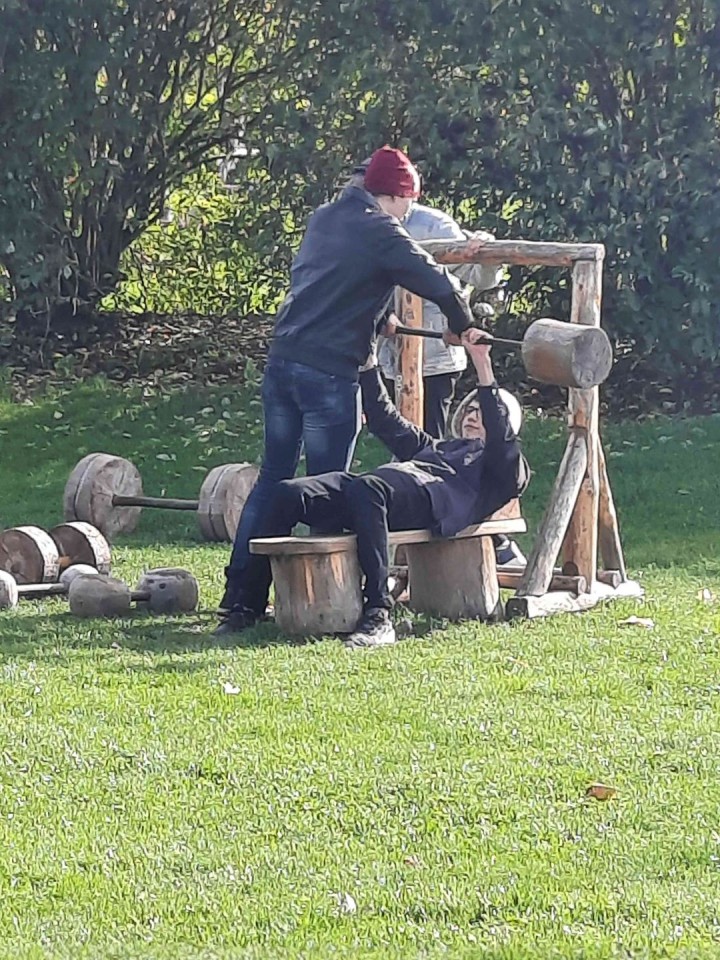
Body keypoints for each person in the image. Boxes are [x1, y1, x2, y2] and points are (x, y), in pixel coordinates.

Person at [216, 145, 476, 624]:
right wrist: (464, 325)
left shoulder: (324, 219)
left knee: (273, 479)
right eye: (408, 201)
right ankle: (324, 604)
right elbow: (438, 282)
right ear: (394, 195)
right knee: (328, 487)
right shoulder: (382, 229)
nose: (408, 211)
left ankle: (240, 599)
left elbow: (336, 284)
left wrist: (379, 318)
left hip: (283, 362)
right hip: (328, 374)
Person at [215, 330, 530, 647]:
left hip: (425, 504)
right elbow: (384, 419)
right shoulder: (437, 448)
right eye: (470, 410)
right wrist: (368, 360)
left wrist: (481, 362)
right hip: (373, 495)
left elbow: (501, 435)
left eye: (482, 413)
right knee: (288, 493)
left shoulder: (504, 469)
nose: (473, 416)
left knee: (370, 487)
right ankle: (247, 606)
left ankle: (378, 614)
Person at [378, 203, 503, 438]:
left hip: (435, 357)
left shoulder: (432, 225)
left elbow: (479, 278)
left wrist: (488, 254)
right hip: (389, 356)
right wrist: (382, 314)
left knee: (430, 441)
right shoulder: (363, 221)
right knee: (397, 438)